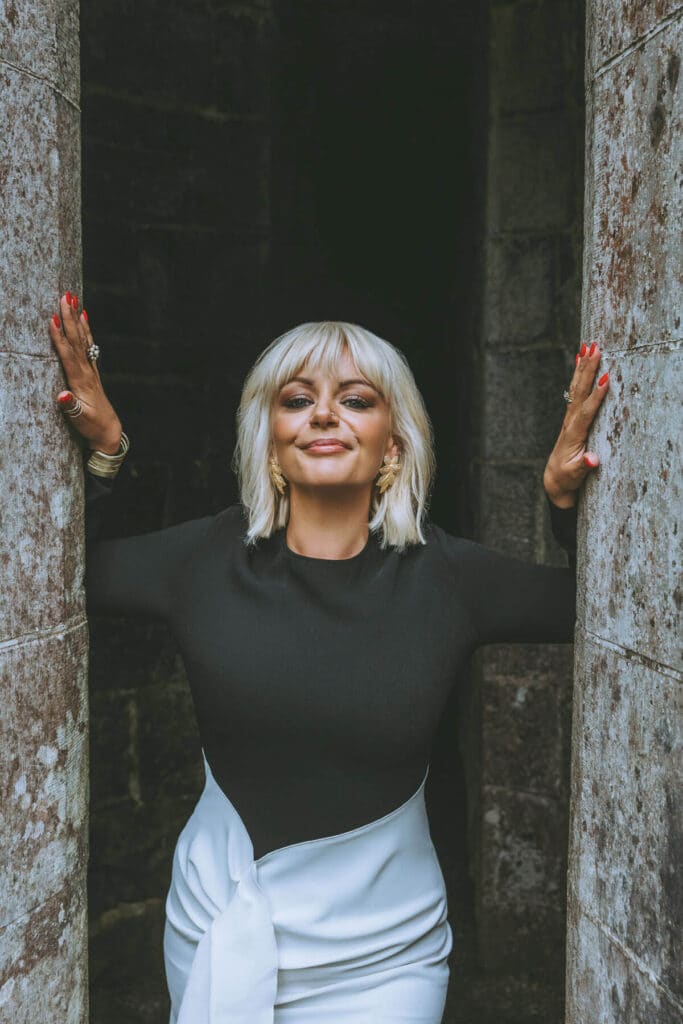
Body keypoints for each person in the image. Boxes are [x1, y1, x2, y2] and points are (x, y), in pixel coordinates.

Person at [49, 291, 608, 1023]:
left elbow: (602, 612)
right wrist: (105, 452)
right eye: (296, 399)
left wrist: (565, 504)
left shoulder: (449, 578)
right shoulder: (202, 560)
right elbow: (55, 579)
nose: (321, 414)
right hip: (219, 920)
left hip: (385, 954)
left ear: (395, 442)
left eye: (354, 399)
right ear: (270, 438)